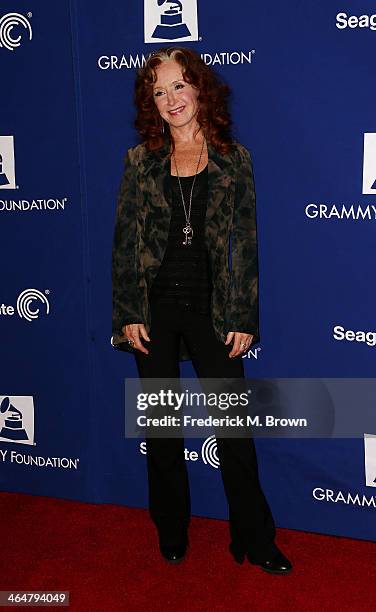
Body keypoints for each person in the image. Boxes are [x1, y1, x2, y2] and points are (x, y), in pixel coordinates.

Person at [112, 46, 292, 574]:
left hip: (213, 313)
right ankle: (171, 530)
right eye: (159, 91)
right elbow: (125, 243)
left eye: (179, 86)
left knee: (235, 434)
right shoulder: (140, 161)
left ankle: (255, 540)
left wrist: (243, 317)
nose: (171, 99)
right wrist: (128, 309)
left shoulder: (235, 159)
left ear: (200, 90)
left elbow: (246, 243)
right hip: (154, 312)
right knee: (163, 433)